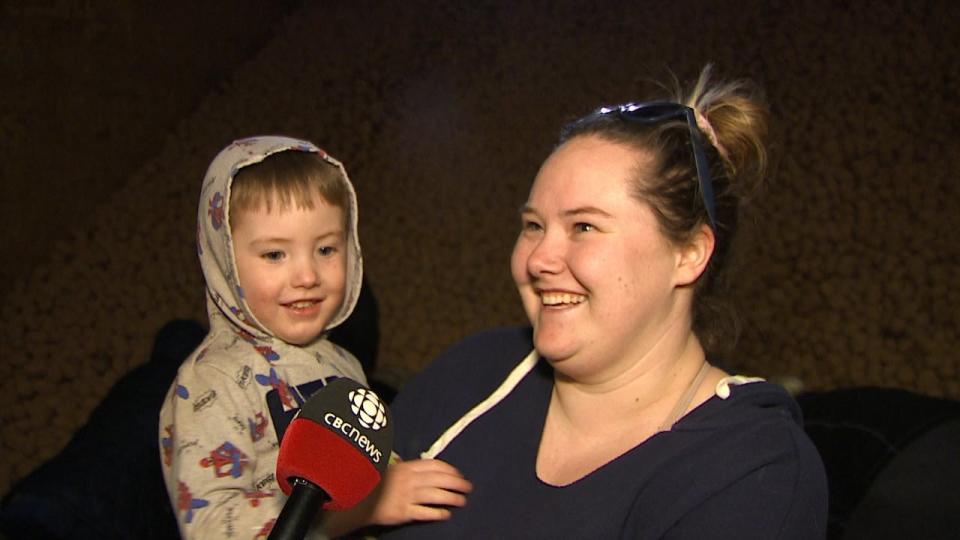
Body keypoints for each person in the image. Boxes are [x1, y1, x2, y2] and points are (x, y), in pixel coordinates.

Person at [375, 66, 829, 538]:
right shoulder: (473, 373)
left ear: (689, 254)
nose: (539, 259)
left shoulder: (750, 473)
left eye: (584, 227)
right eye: (533, 226)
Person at [158, 136, 370, 538]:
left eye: (326, 249)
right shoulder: (209, 385)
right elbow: (210, 524)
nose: (307, 276)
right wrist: (353, 512)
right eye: (275, 255)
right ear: (225, 261)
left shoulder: (345, 363)